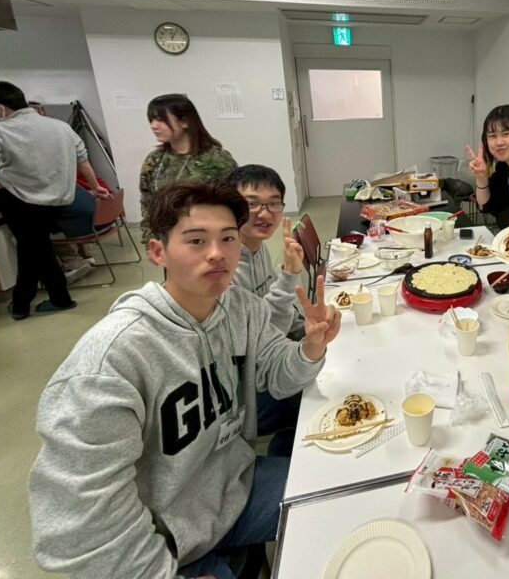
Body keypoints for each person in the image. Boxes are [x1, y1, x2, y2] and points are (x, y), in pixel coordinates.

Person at [29, 181, 342, 579]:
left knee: (343, 497)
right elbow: (80, 527)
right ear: (158, 251)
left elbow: (278, 378)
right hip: (162, 543)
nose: (217, 253)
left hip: (236, 486)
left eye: (227, 238)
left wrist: (310, 347)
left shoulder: (240, 308)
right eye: (196, 240)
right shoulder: (110, 362)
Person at [0, 82, 109, 320]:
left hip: (19, 200)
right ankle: (38, 301)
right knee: (36, 248)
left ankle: (36, 302)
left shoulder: (0, 131)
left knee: (33, 249)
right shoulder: (60, 127)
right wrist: (95, 186)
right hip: (57, 199)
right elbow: (82, 159)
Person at [225, 164, 306, 456]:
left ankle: (286, 444)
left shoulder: (258, 248)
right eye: (252, 204)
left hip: (264, 366)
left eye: (273, 203)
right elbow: (260, 342)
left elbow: (277, 318)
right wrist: (289, 275)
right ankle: (286, 453)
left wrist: (308, 327)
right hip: (245, 395)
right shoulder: (225, 269)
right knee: (321, 389)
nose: (265, 213)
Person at [139, 93, 237, 242]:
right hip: (168, 241)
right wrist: (150, 241)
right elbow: (147, 203)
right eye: (151, 119)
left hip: (208, 240)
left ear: (184, 121)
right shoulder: (155, 160)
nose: (153, 125)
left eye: (160, 119)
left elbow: (235, 203)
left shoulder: (217, 160)